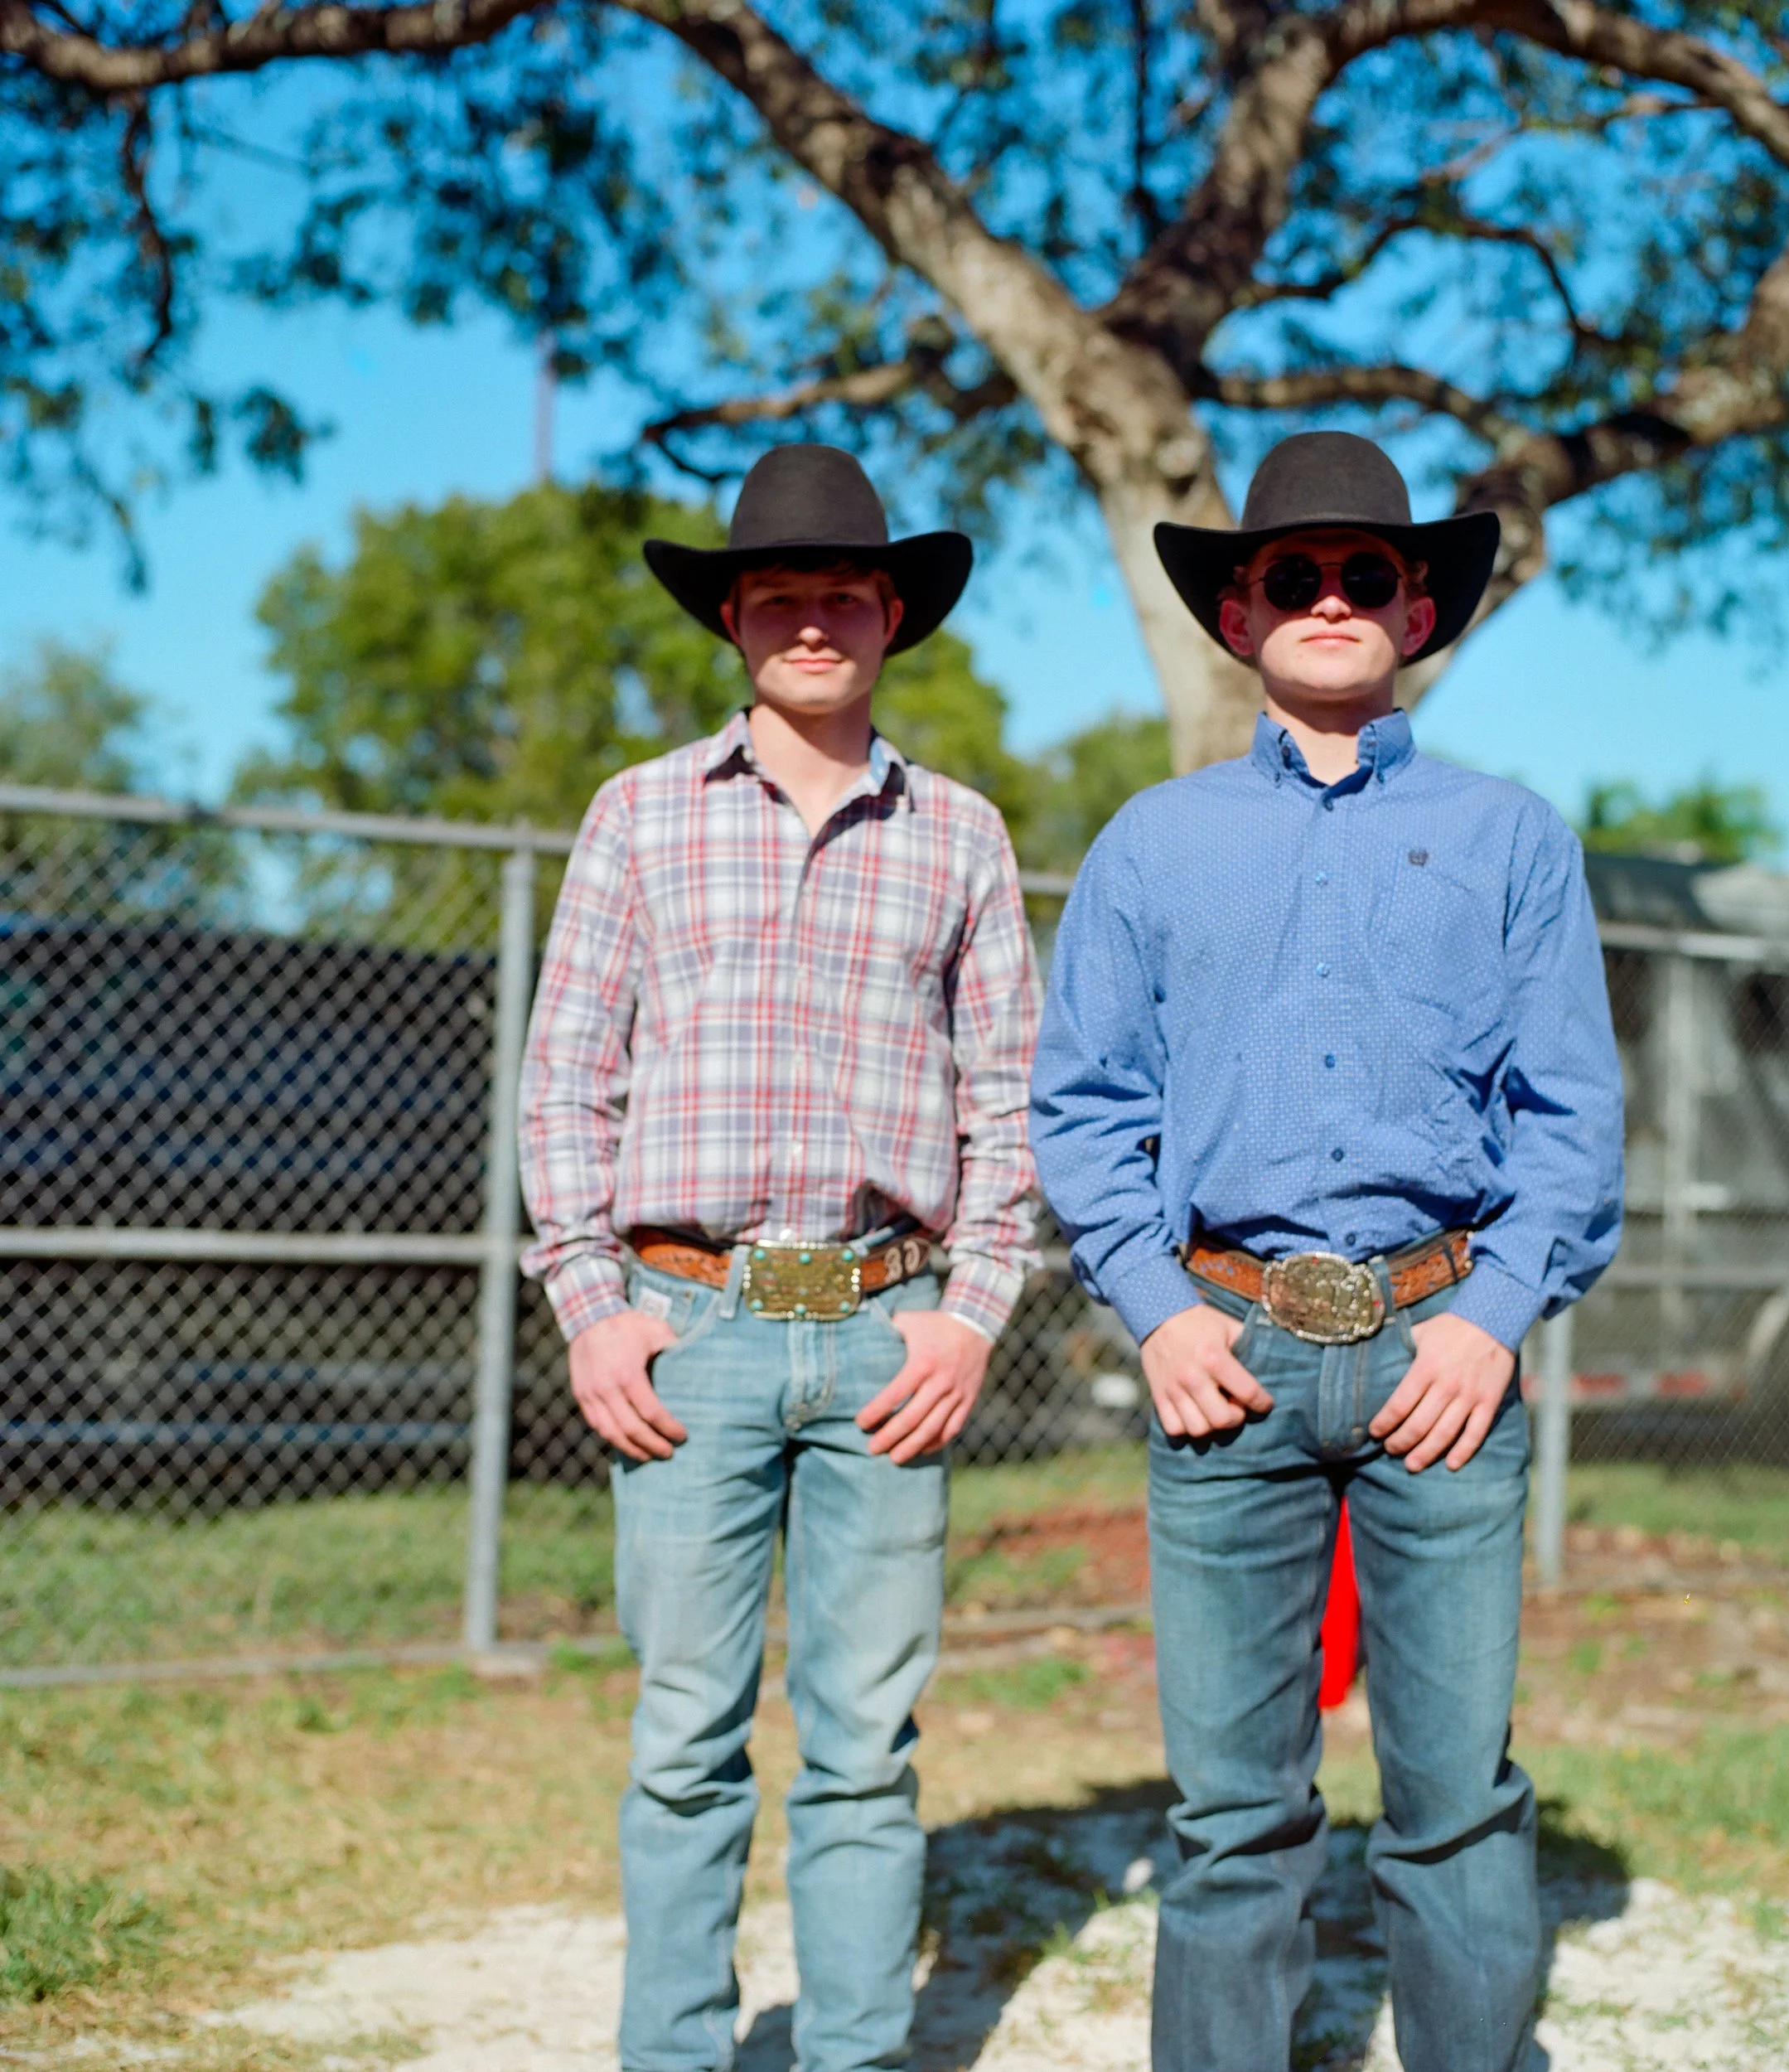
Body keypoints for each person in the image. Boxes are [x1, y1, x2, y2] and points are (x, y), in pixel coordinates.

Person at [1030, 429, 1624, 2072]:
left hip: (1441, 1358)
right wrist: (1152, 1309)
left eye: (1367, 572)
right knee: (1231, 1814)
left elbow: (1569, 1112)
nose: (1331, 597)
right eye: (1293, 574)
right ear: (1237, 614)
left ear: (1417, 604)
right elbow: (1081, 1108)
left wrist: (1496, 1314)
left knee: (1450, 1801)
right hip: (1221, 1354)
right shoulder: (1150, 843)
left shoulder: (1511, 839)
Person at [518, 443, 1042, 2072]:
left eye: (842, 594)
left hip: (886, 1334)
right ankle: (673, 2051)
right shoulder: (636, 818)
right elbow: (562, 1078)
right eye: (779, 598)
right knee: (684, 1730)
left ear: (890, 615)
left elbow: (1008, 1095)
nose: (812, 623)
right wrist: (591, 1304)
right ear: (732, 620)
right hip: (690, 1326)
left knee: (865, 1740)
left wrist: (970, 1316)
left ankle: (855, 2050)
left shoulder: (958, 834)